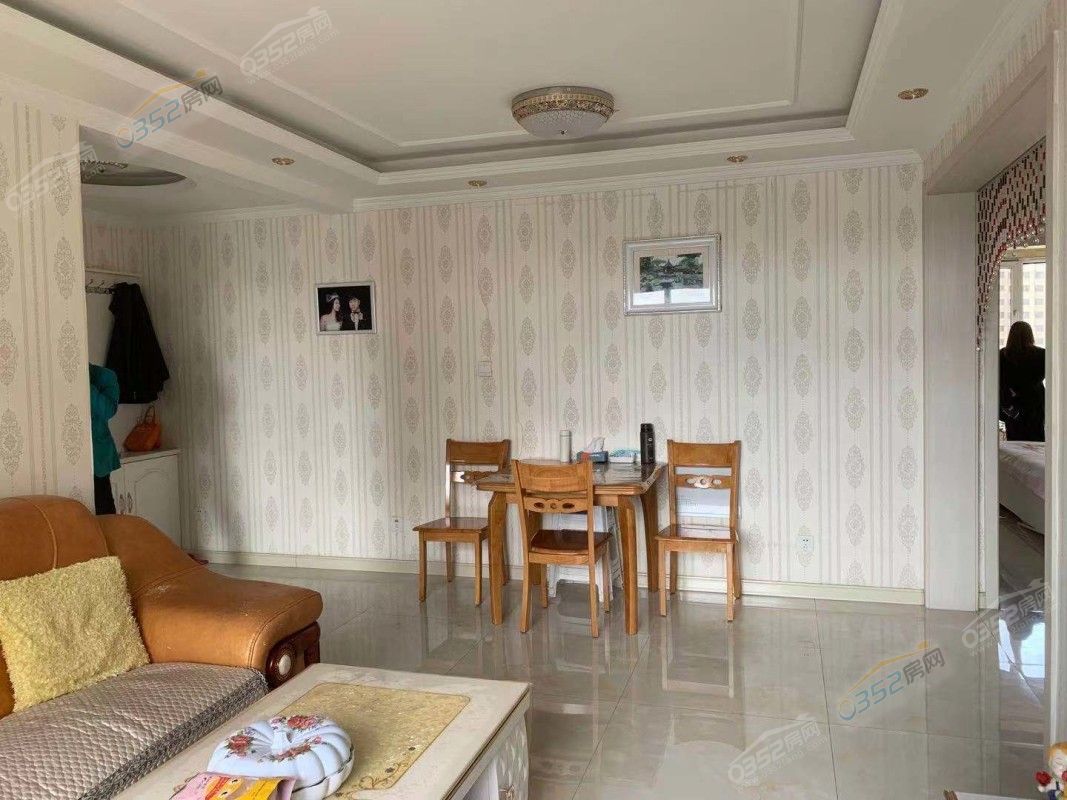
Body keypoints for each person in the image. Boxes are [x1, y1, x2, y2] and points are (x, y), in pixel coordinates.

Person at [1000, 320, 1045, 442]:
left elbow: (1001, 383)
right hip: (1035, 404)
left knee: (1015, 441)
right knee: (1037, 441)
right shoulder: (1041, 354)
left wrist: (1008, 403)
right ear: (1030, 335)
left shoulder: (1003, 354)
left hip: (1013, 406)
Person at [89, 363, 121, 514]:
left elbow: (108, 410)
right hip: (67, 460)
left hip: (98, 459)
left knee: (104, 513)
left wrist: (84, 382)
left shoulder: (105, 376)